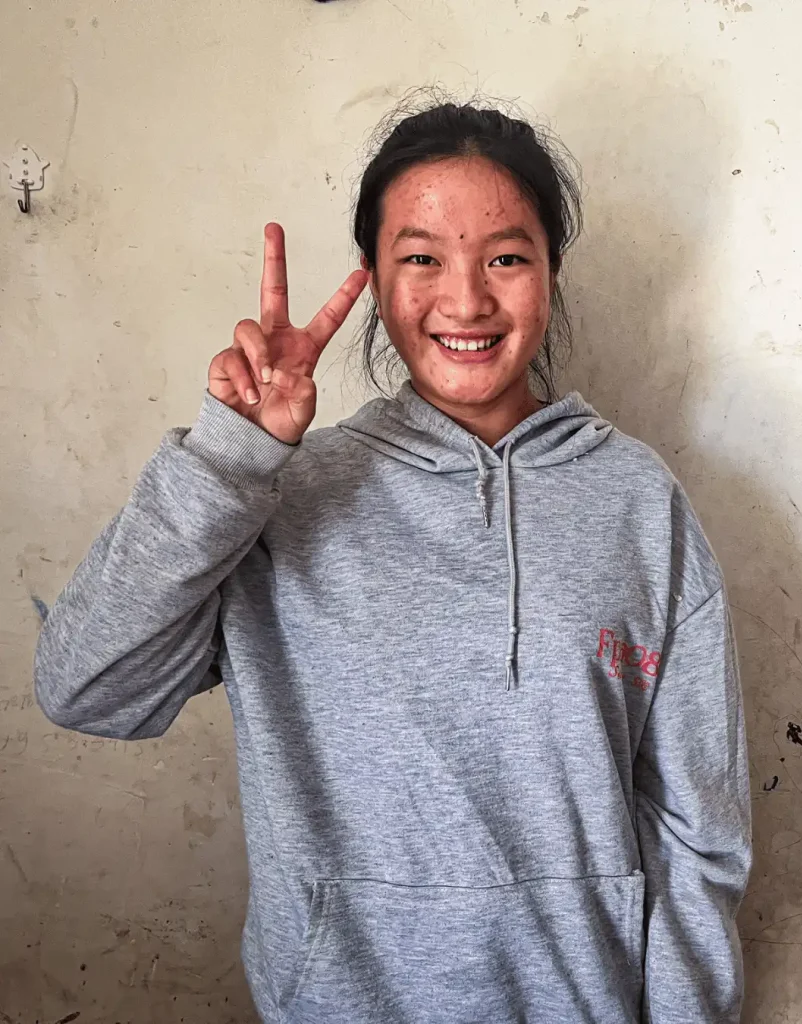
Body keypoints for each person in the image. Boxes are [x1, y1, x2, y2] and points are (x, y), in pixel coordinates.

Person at [34, 99, 752, 1024]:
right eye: (421, 258)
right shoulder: (276, 494)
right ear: (372, 278)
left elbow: (699, 829)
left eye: (506, 257)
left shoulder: (636, 500)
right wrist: (229, 459)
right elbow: (86, 690)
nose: (466, 301)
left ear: (551, 270)